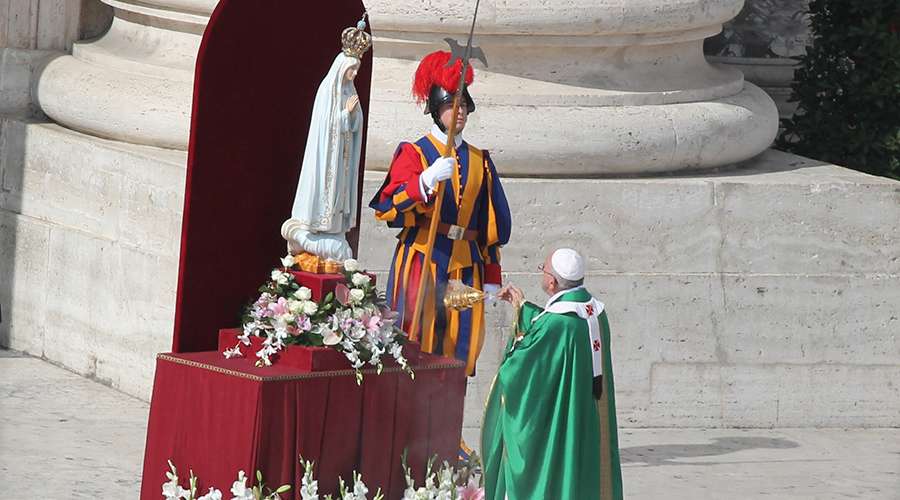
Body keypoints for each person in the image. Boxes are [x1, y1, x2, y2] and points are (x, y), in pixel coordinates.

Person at [369, 50, 511, 375]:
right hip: (423, 260)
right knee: (416, 344)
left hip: (466, 265)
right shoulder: (415, 152)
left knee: (462, 347)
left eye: (463, 105)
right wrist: (425, 181)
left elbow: (491, 225)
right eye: (451, 105)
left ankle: (449, 424)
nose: (459, 111)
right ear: (436, 109)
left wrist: (491, 278)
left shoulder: (481, 161)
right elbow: (389, 206)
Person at [482, 248, 623, 500]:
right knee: (584, 469)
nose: (542, 273)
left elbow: (519, 368)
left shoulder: (557, 323)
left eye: (543, 269)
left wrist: (512, 353)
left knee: (559, 467)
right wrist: (521, 306)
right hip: (587, 412)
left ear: (552, 282)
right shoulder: (597, 313)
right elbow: (551, 332)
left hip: (563, 416)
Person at [281, 16, 371, 262]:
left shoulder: (350, 93)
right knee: (324, 192)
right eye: (351, 69)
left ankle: (333, 229)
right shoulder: (327, 90)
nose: (354, 74)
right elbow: (324, 126)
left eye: (356, 70)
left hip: (343, 158)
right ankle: (311, 230)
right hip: (327, 157)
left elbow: (356, 126)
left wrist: (353, 118)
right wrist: (345, 115)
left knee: (338, 200)